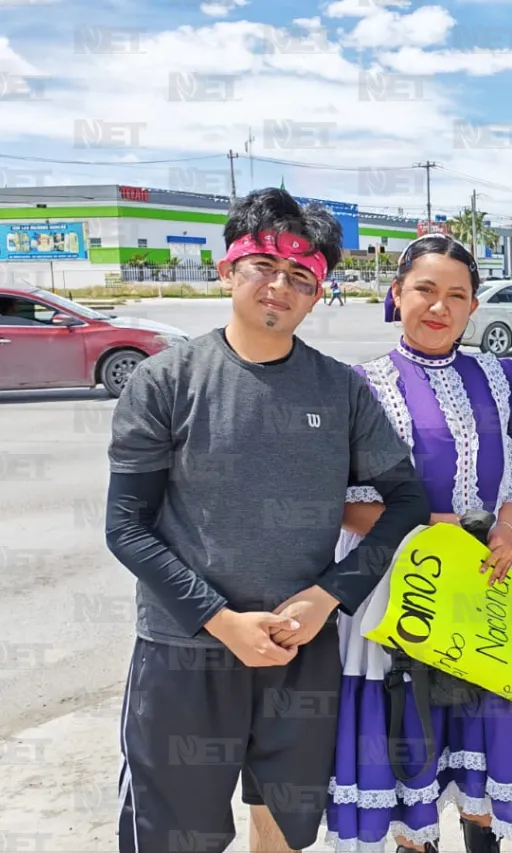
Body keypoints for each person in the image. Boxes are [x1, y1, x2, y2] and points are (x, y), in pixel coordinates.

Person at [105, 187, 430, 853]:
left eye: (302, 275)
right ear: (228, 270)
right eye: (264, 267)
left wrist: (327, 597)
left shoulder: (338, 388)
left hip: (299, 652)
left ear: (319, 295)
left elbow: (407, 502)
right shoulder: (166, 382)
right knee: (173, 836)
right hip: (185, 650)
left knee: (283, 831)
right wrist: (220, 620)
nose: (280, 286)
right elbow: (126, 526)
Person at [325, 234, 512, 853]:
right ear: (397, 294)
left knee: (483, 766)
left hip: (486, 588)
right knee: (409, 746)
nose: (439, 307)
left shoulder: (504, 377)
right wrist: (427, 531)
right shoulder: (357, 384)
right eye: (425, 290)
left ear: (475, 306)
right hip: (398, 593)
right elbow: (336, 501)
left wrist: (507, 528)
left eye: (457, 295)